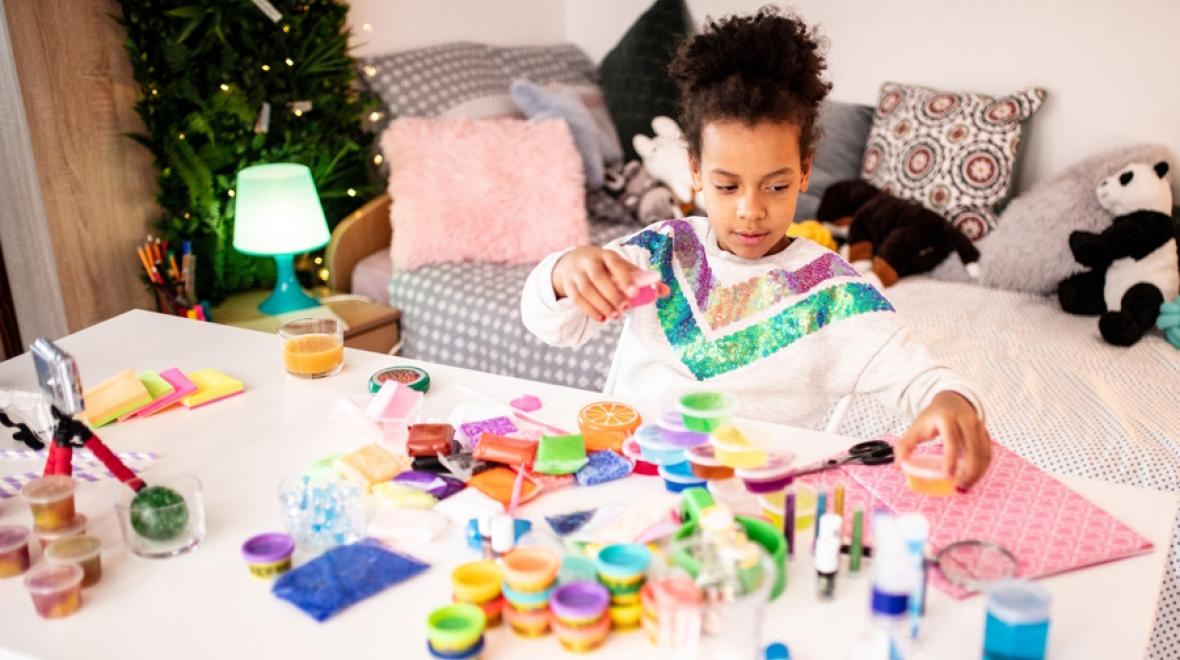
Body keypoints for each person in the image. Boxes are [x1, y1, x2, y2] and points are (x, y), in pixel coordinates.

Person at [520, 7, 991, 487]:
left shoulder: (834, 293)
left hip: (751, 499)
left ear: (804, 171)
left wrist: (953, 403)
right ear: (696, 170)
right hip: (628, 482)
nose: (750, 210)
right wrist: (565, 272)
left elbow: (925, 381)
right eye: (727, 186)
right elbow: (551, 325)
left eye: (775, 186)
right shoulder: (659, 251)